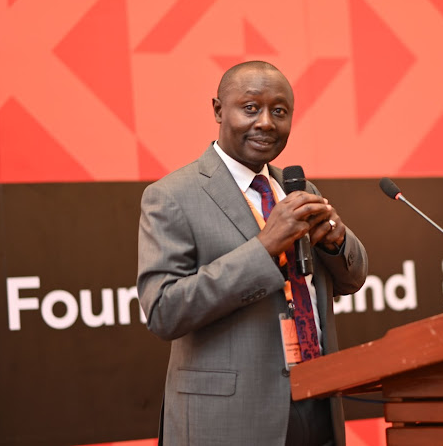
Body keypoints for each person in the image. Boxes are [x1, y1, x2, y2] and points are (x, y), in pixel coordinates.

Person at [137, 60, 368, 445]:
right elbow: (163, 310)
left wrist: (336, 242)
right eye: (250, 108)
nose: (265, 122)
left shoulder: (297, 187)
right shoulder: (172, 196)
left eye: (279, 111)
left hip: (317, 402)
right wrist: (263, 248)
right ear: (217, 110)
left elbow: (353, 277)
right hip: (229, 417)